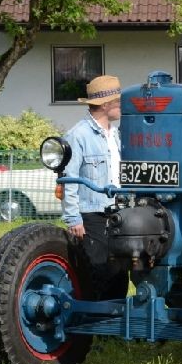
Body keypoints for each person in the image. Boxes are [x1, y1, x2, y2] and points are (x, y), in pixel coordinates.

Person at [62, 75, 128, 299]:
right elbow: (69, 178)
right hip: (92, 214)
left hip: (119, 212)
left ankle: (115, 314)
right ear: (106, 105)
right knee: (99, 269)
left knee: (119, 270)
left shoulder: (116, 135)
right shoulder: (78, 135)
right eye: (118, 102)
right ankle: (96, 314)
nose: (121, 107)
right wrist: (74, 218)